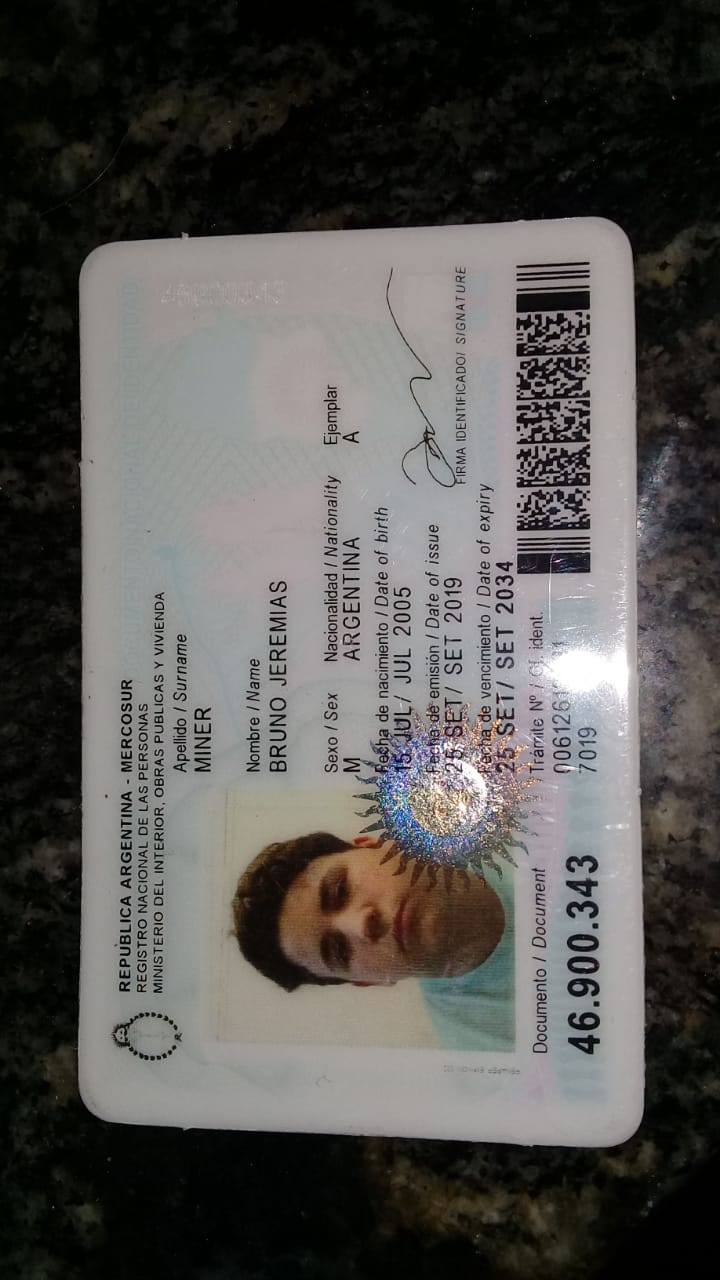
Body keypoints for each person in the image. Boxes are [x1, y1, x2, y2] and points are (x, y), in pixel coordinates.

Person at [232, 832, 515, 1051]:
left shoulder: (517, 817)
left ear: (374, 844)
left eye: (340, 890)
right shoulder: (484, 1053)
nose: (361, 925)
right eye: (339, 951)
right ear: (369, 981)